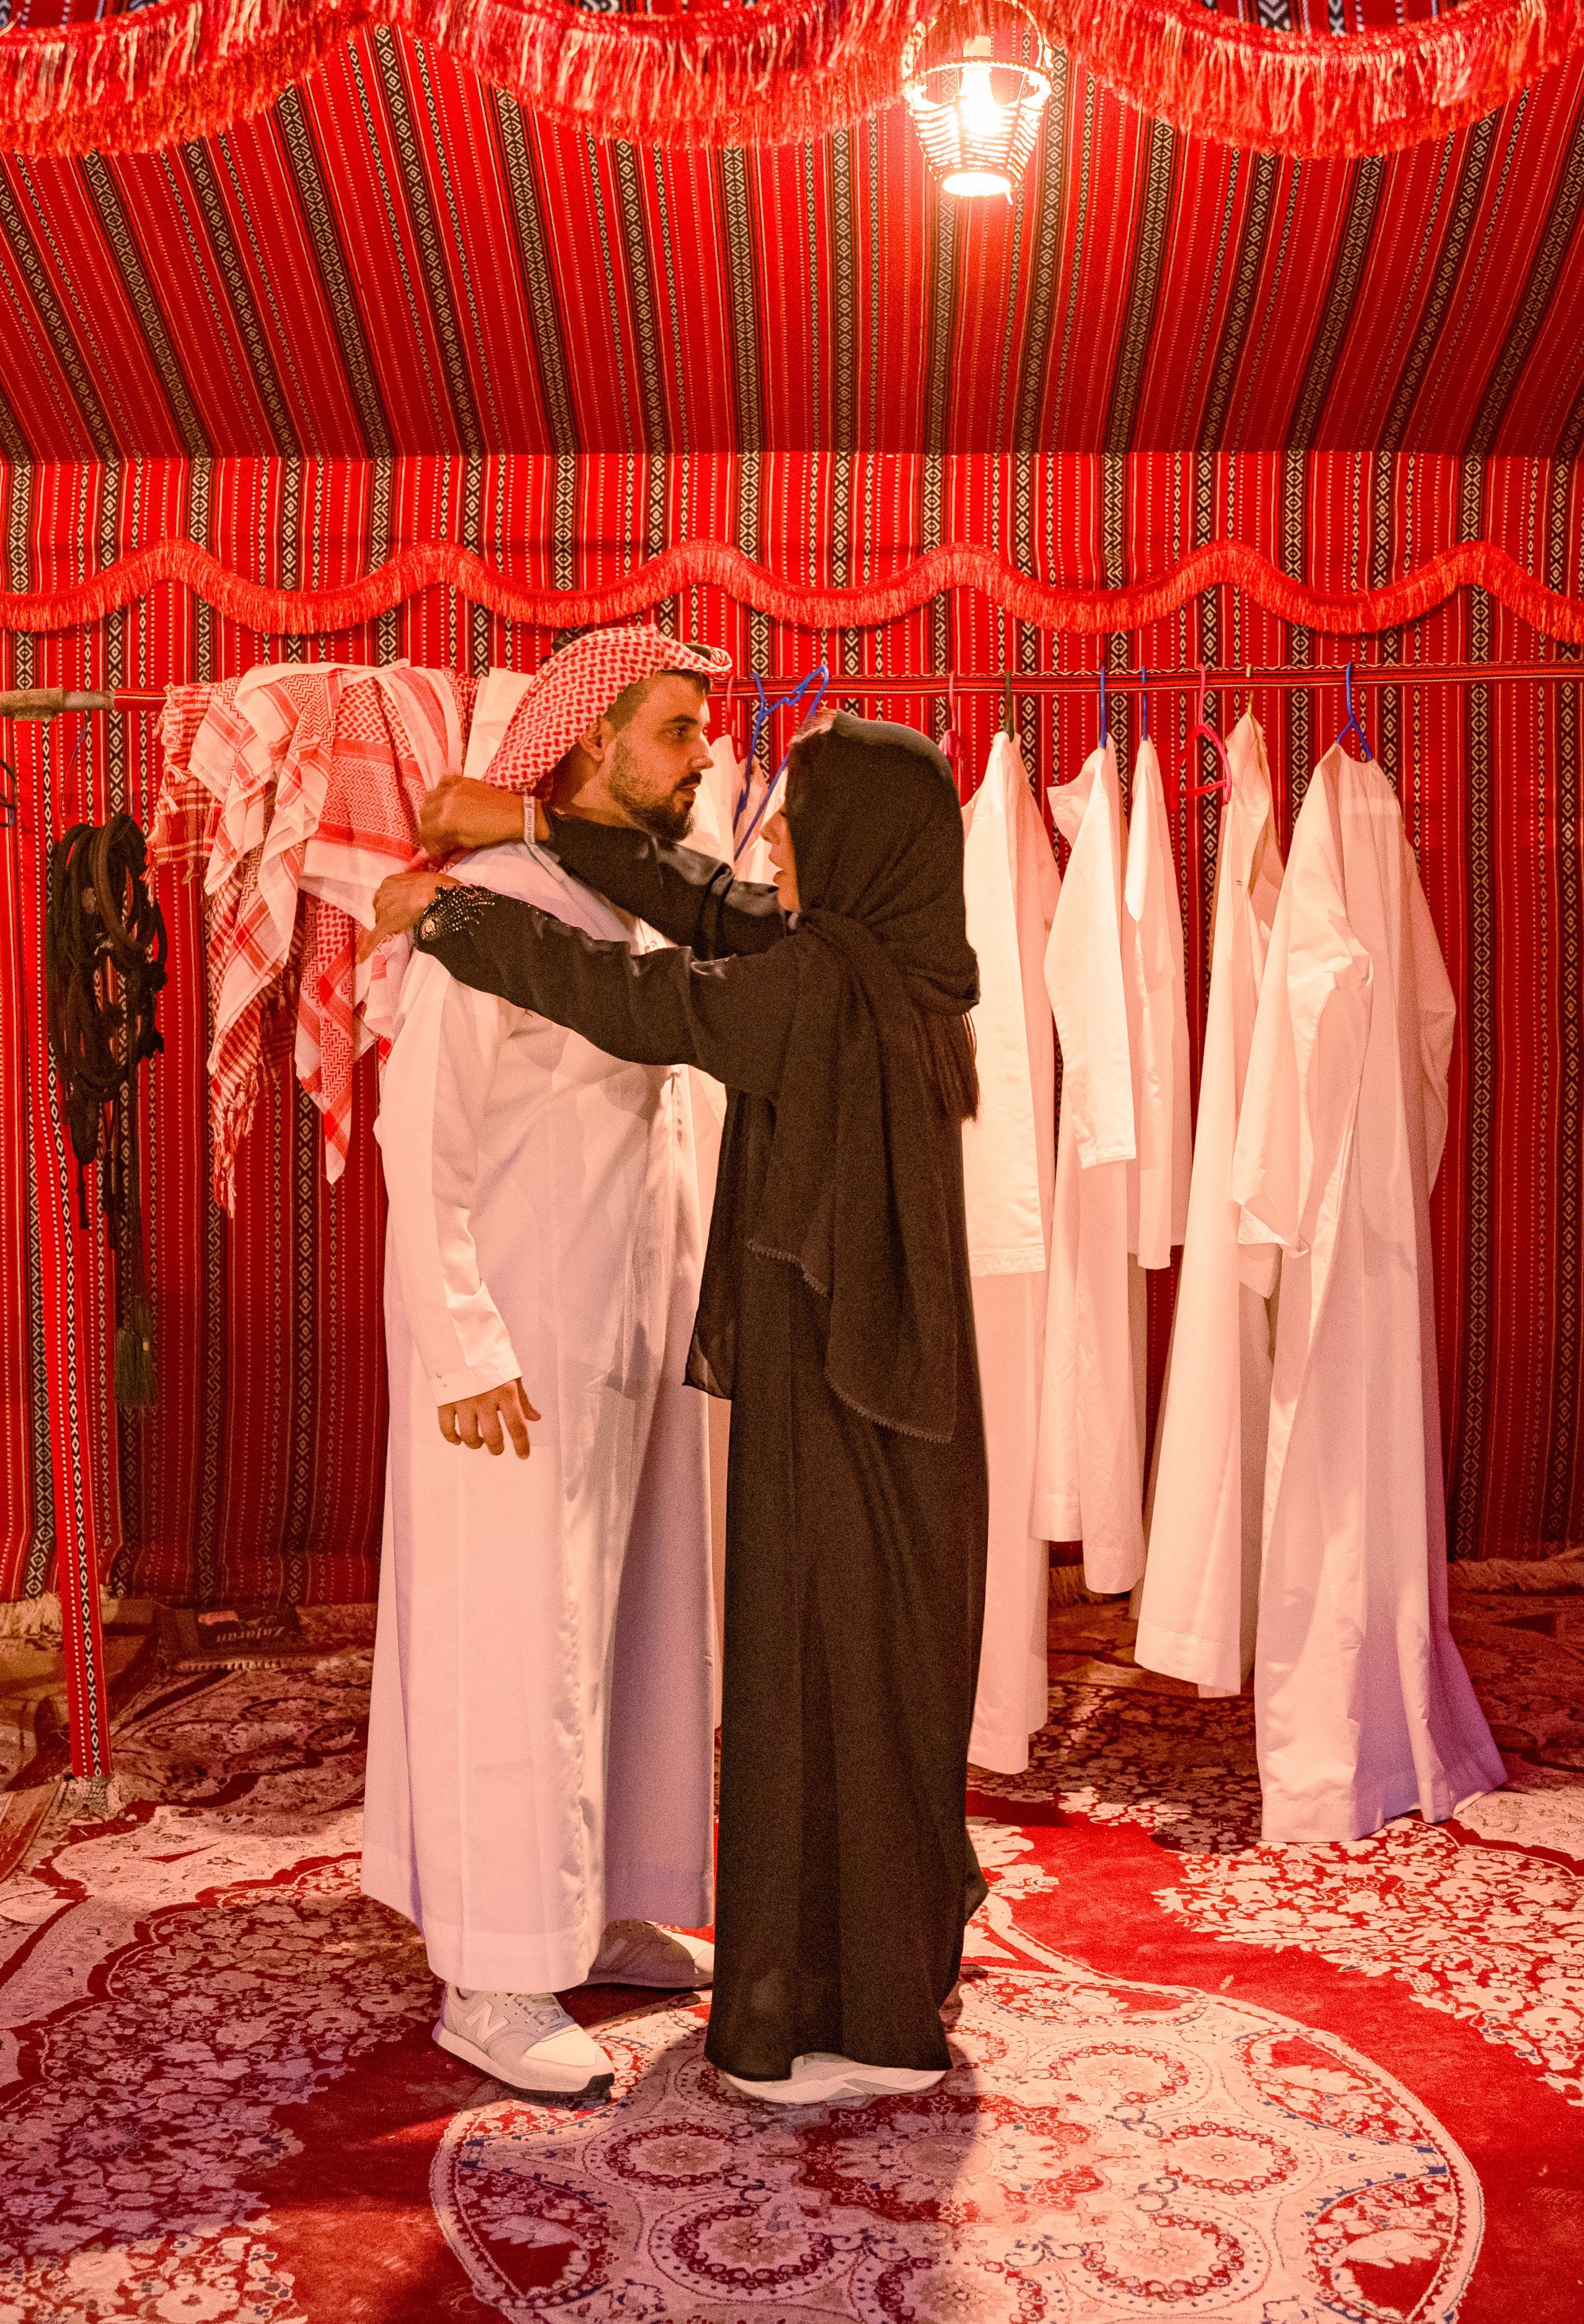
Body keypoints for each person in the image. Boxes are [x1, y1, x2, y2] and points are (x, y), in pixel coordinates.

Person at [382, 711, 989, 2106]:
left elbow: (650, 1000)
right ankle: (532, 1948)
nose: (757, 831)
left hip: (841, 1414)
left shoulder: (822, 984)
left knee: (819, 1674)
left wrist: (452, 917)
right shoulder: (895, 956)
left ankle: (844, 2007)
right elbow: (708, 905)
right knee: (661, 1652)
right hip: (832, 1401)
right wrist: (524, 836)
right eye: (686, 737)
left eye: (793, 819)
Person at [363, 627, 735, 2106]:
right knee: (513, 1644)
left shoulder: (634, 907)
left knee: (634, 1619)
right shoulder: (491, 914)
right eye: (676, 734)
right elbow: (423, 1146)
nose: (703, 758)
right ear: (588, 745)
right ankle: (496, 1967)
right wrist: (460, 1341)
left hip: (630, 1337)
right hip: (507, 1350)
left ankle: (603, 1896)